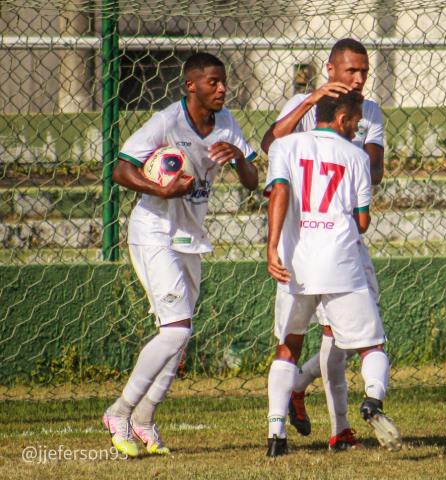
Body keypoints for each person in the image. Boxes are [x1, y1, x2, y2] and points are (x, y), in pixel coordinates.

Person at [102, 52, 258, 457]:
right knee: (176, 329)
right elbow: (121, 169)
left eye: (223, 82)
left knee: (178, 338)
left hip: (190, 238)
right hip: (153, 231)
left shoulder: (227, 124)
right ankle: (119, 413)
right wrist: (163, 189)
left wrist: (239, 156)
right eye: (213, 82)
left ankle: (144, 420)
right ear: (191, 86)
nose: (222, 88)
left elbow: (252, 181)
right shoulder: (167, 121)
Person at [261, 37, 385, 450]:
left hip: (329, 242)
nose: (360, 78)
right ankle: (339, 423)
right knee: (354, 339)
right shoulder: (304, 104)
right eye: (352, 70)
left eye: (364, 71)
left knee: (338, 338)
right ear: (331, 70)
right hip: (317, 242)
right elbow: (271, 142)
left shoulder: (370, 111)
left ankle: (316, 413)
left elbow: (374, 167)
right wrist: (311, 100)